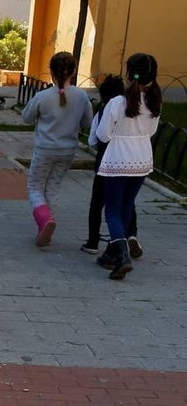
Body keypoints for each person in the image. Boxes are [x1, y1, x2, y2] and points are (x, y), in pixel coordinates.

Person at [93, 52, 161, 280]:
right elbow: (151, 131)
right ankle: (112, 253)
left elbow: (103, 135)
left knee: (111, 209)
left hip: (117, 159)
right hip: (142, 160)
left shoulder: (117, 103)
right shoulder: (155, 102)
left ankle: (121, 255)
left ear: (129, 74)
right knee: (125, 205)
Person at [20, 51, 92, 248]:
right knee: (52, 187)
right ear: (74, 71)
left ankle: (44, 221)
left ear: (50, 70)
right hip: (68, 151)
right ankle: (45, 227)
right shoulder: (81, 96)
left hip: (45, 150)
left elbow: (26, 117)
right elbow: (88, 122)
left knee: (35, 187)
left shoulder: (43, 96)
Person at [84, 75, 138, 255]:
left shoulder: (103, 111)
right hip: (131, 162)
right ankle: (131, 234)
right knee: (127, 202)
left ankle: (93, 241)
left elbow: (94, 139)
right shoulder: (133, 109)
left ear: (102, 95)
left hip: (104, 164)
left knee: (97, 203)